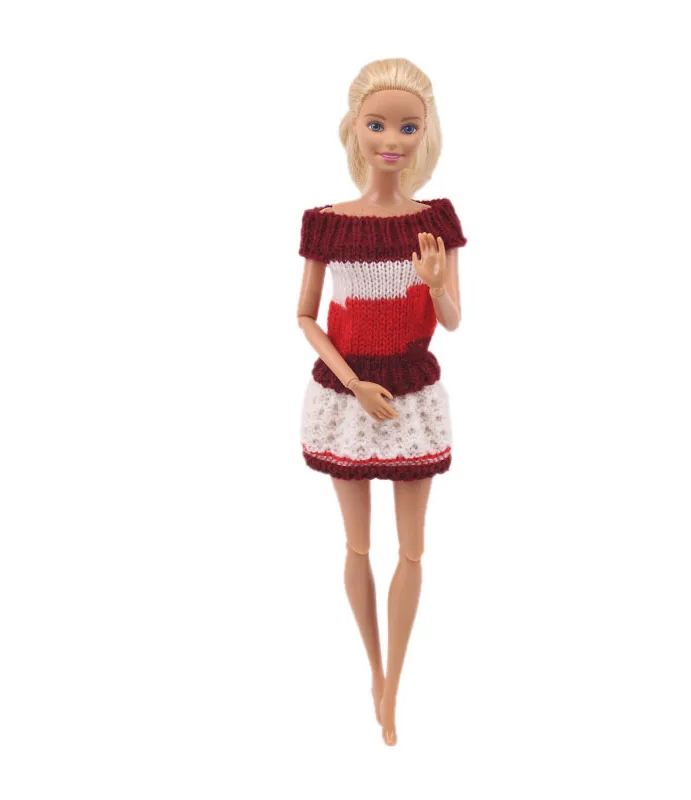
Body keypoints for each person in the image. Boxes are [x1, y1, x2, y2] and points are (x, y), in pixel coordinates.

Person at [296, 57, 468, 746]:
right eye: (377, 125)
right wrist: (351, 381)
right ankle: (373, 670)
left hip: (412, 394)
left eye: (406, 126)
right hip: (348, 396)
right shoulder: (326, 222)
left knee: (413, 550)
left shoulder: (437, 220)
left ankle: (394, 688)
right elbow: (305, 315)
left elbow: (452, 320)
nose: (391, 139)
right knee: (358, 544)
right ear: (354, 128)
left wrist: (434, 283)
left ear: (425, 131)